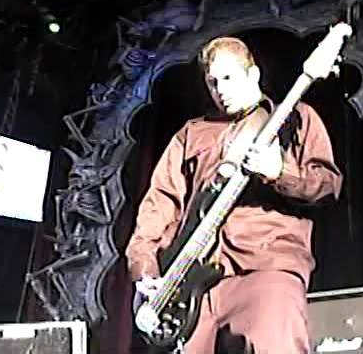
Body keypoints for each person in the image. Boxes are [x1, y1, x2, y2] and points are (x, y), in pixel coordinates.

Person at [126, 36, 343, 353]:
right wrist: (145, 270)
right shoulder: (190, 134)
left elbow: (327, 185)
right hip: (189, 289)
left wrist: (279, 172)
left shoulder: (296, 119)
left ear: (253, 74)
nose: (221, 90)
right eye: (213, 82)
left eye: (228, 78)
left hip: (264, 270)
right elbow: (159, 206)